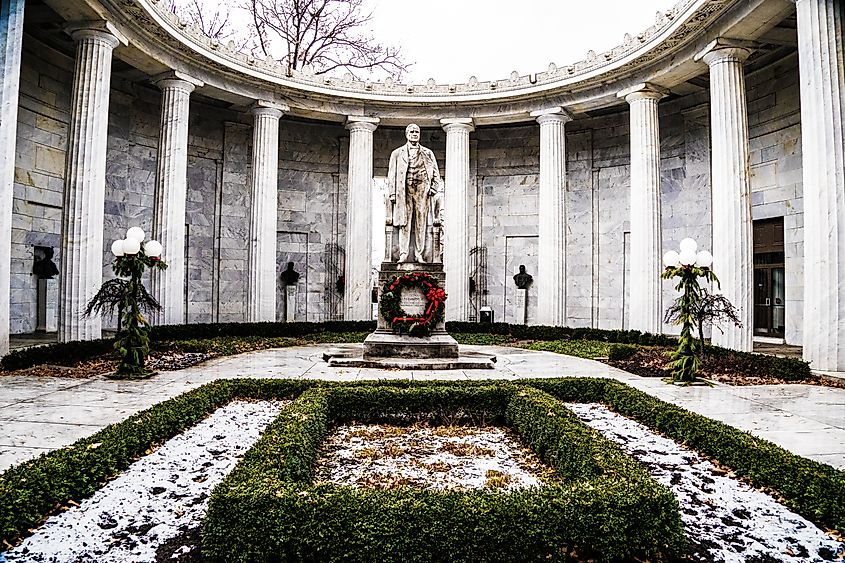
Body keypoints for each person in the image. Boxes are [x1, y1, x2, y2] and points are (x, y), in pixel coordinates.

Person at [386, 123, 442, 262]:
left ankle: (419, 254)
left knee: (421, 223)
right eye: (411, 131)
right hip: (404, 190)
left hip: (422, 189)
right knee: (404, 222)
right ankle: (403, 253)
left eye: (417, 131)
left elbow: (435, 172)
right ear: (406, 134)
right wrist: (392, 193)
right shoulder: (397, 153)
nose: (414, 134)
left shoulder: (427, 153)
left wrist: (434, 188)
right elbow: (391, 174)